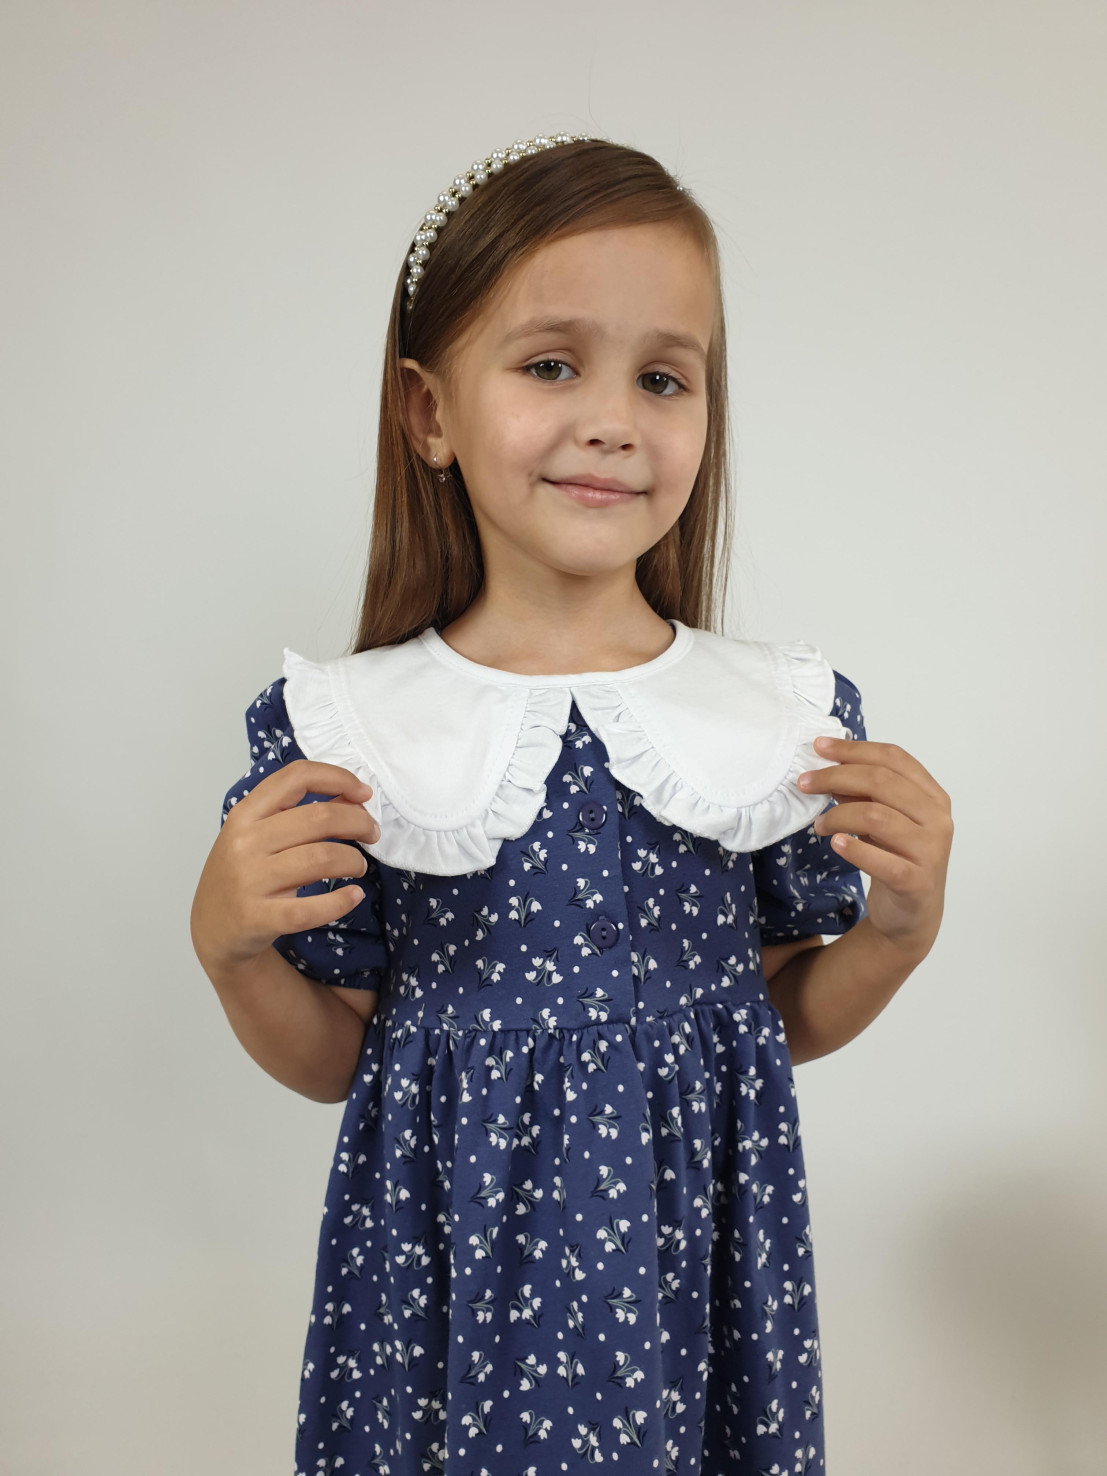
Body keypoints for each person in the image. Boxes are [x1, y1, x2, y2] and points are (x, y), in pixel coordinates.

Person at [191, 134, 953, 1475]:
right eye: (551, 365)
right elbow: (336, 1057)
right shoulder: (359, 732)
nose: (612, 419)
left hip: (690, 1282)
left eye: (662, 377)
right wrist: (232, 949)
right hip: (448, 1289)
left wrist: (896, 933)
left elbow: (778, 1017)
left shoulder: (769, 720)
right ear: (429, 412)